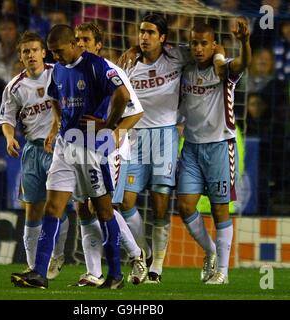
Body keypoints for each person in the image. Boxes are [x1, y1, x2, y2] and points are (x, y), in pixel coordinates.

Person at [10, 24, 132, 290]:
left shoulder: (96, 65)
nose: (55, 56)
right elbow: (55, 97)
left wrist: (108, 125)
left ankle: (116, 274)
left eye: (59, 50)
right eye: (52, 52)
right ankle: (39, 272)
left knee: (102, 209)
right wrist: (57, 124)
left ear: (74, 45)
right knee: (52, 206)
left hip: (91, 147)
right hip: (66, 145)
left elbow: (122, 95)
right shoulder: (59, 70)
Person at [116, 14, 192, 284]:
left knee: (160, 205)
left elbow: (203, 48)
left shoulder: (177, 57)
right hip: (135, 138)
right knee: (124, 202)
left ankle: (157, 267)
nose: (144, 37)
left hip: (164, 137)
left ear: (162, 37)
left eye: (150, 32)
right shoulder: (128, 62)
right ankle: (143, 254)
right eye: (141, 32)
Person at [177, 19, 251, 284]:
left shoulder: (224, 70)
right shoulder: (185, 70)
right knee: (185, 205)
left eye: (204, 43)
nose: (198, 48)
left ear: (214, 45)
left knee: (221, 211)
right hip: (192, 148)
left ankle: (223, 272)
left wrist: (244, 41)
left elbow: (243, 63)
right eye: (194, 43)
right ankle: (210, 252)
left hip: (221, 147)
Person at [73, 22, 147, 286]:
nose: (80, 44)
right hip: (77, 146)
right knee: (82, 207)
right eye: (77, 39)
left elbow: (136, 111)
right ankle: (93, 272)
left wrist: (115, 132)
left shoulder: (110, 71)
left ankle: (137, 254)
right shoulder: (71, 71)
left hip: (107, 148)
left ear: (98, 45)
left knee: (101, 204)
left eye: (86, 39)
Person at [0, 31, 69, 280]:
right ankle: (33, 267)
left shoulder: (58, 72)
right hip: (31, 150)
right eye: (25, 51)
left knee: (56, 207)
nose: (31, 55)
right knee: (32, 210)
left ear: (43, 52)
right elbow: (6, 119)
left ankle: (57, 255)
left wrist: (56, 130)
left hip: (59, 148)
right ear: (20, 57)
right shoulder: (14, 87)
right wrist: (9, 137)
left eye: (34, 50)